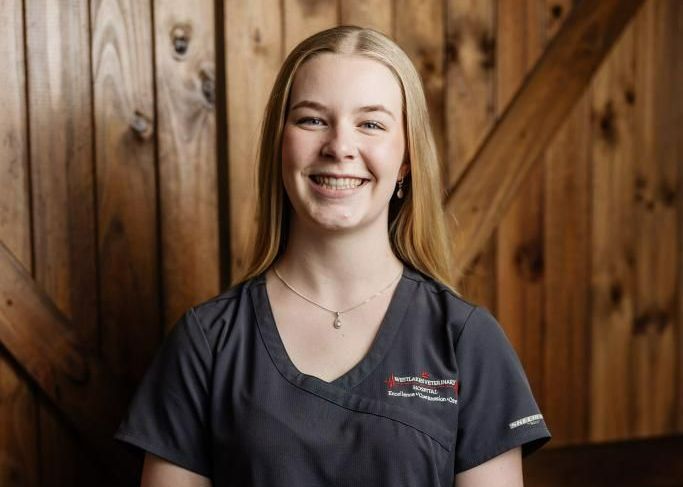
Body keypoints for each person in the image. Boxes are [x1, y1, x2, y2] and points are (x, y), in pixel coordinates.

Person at [114, 25, 551, 486]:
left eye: (371, 124)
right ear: (280, 147)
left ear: (405, 160)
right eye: (312, 120)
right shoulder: (207, 343)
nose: (340, 147)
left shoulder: (466, 341)